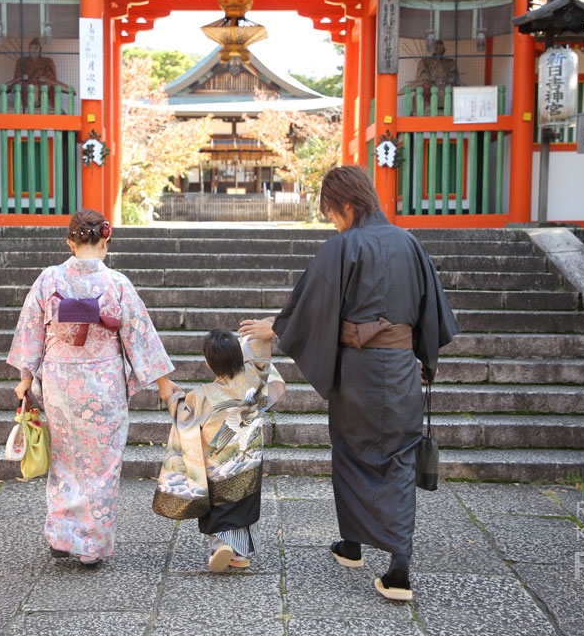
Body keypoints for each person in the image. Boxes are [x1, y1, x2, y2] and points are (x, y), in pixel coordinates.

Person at [239, 165, 458, 602]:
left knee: (353, 454)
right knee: (397, 458)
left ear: (346, 205)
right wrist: (422, 358)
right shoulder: (409, 243)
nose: (333, 221)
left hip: (357, 370)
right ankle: (381, 560)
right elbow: (432, 311)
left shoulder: (343, 247)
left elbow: (312, 310)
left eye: (331, 212)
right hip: (399, 369)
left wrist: (274, 328)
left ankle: (374, 558)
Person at [7, 208, 177, 565]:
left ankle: (62, 534)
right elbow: (139, 335)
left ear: (70, 241)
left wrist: (25, 378)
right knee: (101, 465)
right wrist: (163, 384)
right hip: (103, 384)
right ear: (105, 242)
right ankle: (90, 546)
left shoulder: (47, 279)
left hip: (60, 382)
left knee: (65, 459)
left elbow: (31, 331)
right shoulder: (116, 283)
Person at [159, 328, 284, 572]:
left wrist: (170, 395)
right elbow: (262, 361)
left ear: (207, 364)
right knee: (246, 503)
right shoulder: (255, 381)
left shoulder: (201, 396)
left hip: (217, 465)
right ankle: (240, 554)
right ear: (240, 357)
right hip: (249, 459)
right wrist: (256, 337)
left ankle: (220, 547)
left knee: (218, 504)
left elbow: (181, 410)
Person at [5, 38, 69, 110]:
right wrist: (22, 77)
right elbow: (17, 77)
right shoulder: (22, 61)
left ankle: (46, 105)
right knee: (18, 85)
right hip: (26, 84)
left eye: (36, 48)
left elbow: (51, 77)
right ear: (29, 49)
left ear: (40, 49)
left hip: (42, 84)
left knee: (47, 85)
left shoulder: (47, 61)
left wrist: (45, 79)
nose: (34, 50)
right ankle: (21, 105)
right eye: (32, 48)